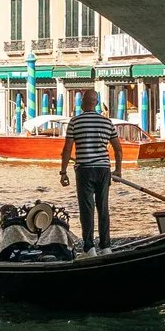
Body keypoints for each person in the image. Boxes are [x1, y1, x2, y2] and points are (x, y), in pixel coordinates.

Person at [61, 91, 126, 253]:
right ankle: (106, 246)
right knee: (103, 208)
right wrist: (118, 170)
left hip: (84, 170)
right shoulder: (107, 122)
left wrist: (63, 172)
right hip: (103, 170)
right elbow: (118, 149)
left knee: (87, 209)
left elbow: (67, 149)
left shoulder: (75, 122)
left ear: (83, 102)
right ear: (96, 103)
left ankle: (89, 248)